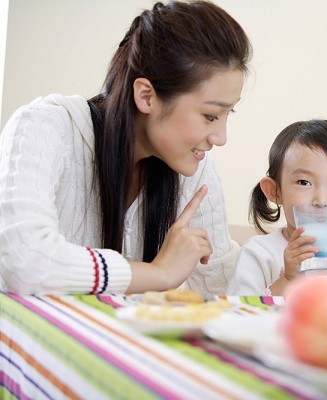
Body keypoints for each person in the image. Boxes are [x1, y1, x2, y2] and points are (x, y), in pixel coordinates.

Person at [0, 1, 252, 297]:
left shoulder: (195, 171)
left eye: (227, 115)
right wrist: (159, 273)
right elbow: (24, 262)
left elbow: (226, 293)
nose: (220, 137)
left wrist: (283, 265)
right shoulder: (45, 126)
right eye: (210, 116)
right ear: (146, 96)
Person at [226, 119, 327, 296]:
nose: (321, 200)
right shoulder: (259, 254)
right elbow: (240, 316)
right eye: (304, 182)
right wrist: (287, 281)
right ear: (274, 191)